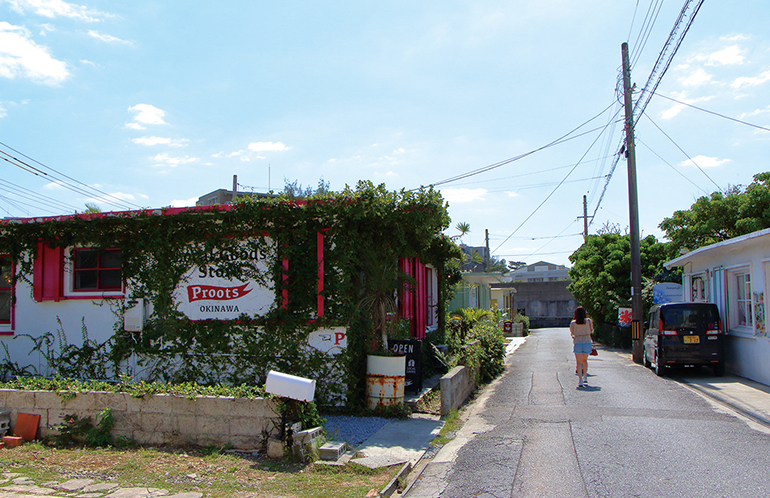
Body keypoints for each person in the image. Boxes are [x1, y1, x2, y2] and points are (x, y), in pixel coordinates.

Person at [570, 306, 593, 388]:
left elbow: (572, 333)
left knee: (579, 363)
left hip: (578, 343)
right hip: (587, 342)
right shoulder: (589, 321)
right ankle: (585, 376)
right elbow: (591, 331)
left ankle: (580, 380)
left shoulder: (573, 323)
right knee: (585, 361)